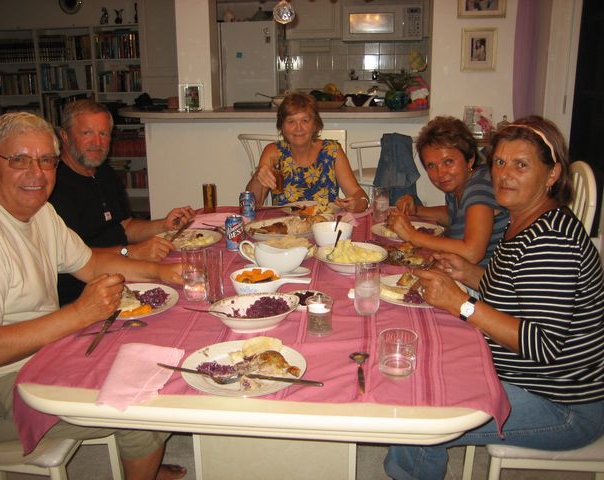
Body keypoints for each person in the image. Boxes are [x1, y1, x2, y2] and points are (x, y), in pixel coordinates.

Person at [0, 112, 189, 480]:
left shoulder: (40, 212)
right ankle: (142, 455)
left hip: (43, 355)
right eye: (19, 160)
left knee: (151, 354)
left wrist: (160, 272)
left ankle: (142, 462)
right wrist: (79, 314)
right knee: (140, 407)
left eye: (46, 160)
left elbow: (90, 263)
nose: (36, 173)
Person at [384, 116, 604, 480]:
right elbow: (516, 289)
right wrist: (467, 273)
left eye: (521, 165)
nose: (504, 175)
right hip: (521, 376)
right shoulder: (526, 219)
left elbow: (543, 344)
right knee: (420, 363)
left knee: (422, 417)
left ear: (551, 174)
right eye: (500, 162)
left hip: (563, 406)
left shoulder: (552, 241)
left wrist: (461, 304)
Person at [49, 99, 195, 305]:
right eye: (87, 133)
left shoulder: (105, 173)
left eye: (103, 134)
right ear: (64, 136)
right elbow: (74, 257)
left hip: (126, 274)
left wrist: (164, 225)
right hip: (82, 293)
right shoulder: (53, 186)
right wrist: (130, 252)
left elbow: (125, 226)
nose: (97, 142)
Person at [388, 116, 509, 266]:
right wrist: (416, 210)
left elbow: (472, 252)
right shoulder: (459, 186)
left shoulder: (479, 188)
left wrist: (412, 235)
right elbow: (455, 215)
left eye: (448, 162)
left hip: (486, 277)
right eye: (431, 166)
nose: (440, 173)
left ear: (470, 160)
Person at [245, 92, 370, 213]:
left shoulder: (332, 151)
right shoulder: (273, 152)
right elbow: (253, 204)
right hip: (284, 224)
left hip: (325, 223)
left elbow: (358, 195)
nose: (298, 128)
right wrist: (257, 177)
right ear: (281, 126)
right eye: (291, 121)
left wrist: (358, 203)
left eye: (305, 121)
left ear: (315, 124)